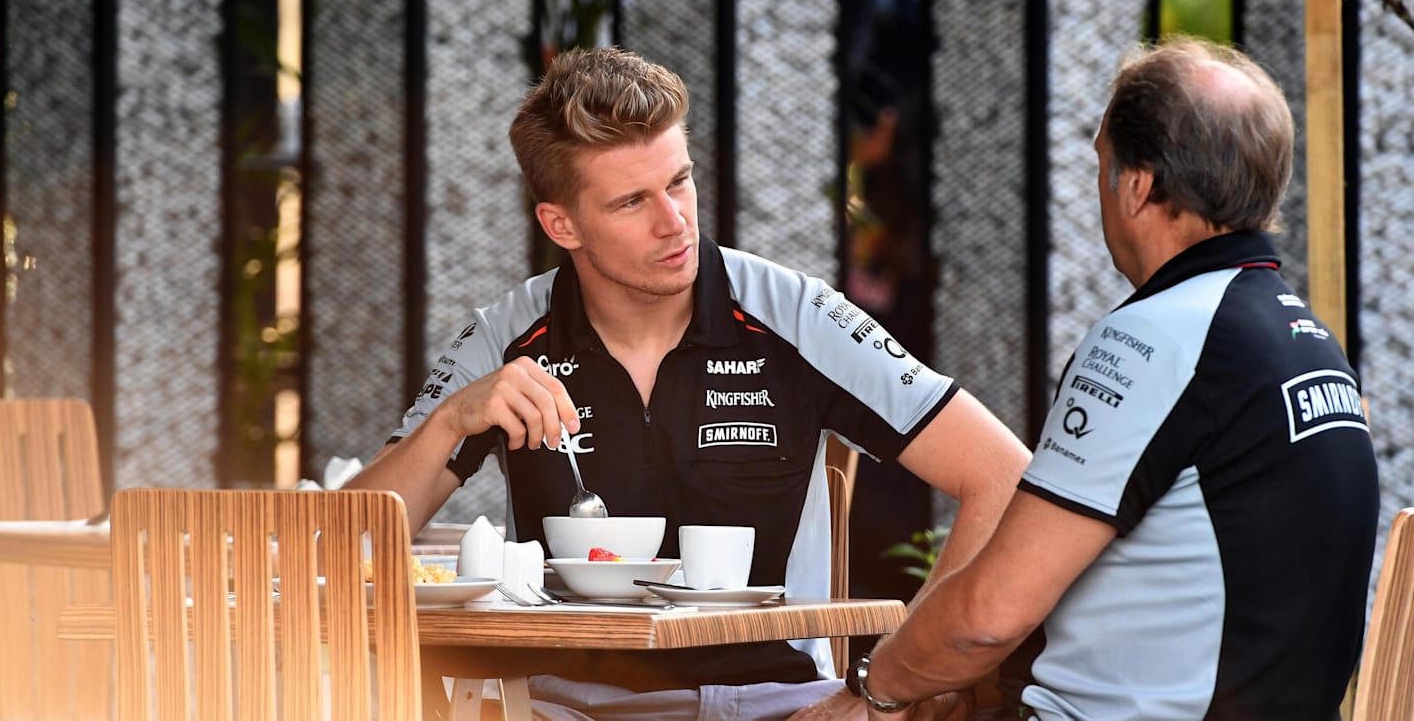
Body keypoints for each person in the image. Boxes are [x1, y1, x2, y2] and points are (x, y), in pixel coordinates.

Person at [346, 46, 1031, 719]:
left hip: (773, 704)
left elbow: (1002, 476)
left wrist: (886, 684)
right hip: (564, 705)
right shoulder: (507, 333)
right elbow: (349, 541)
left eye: (679, 181)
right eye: (631, 201)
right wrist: (450, 421)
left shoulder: (794, 314)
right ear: (563, 224)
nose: (674, 222)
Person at [799, 36, 1379, 721]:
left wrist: (875, 689)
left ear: (1137, 185)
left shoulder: (1155, 338)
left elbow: (989, 613)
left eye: (1102, 164)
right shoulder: (1309, 344)